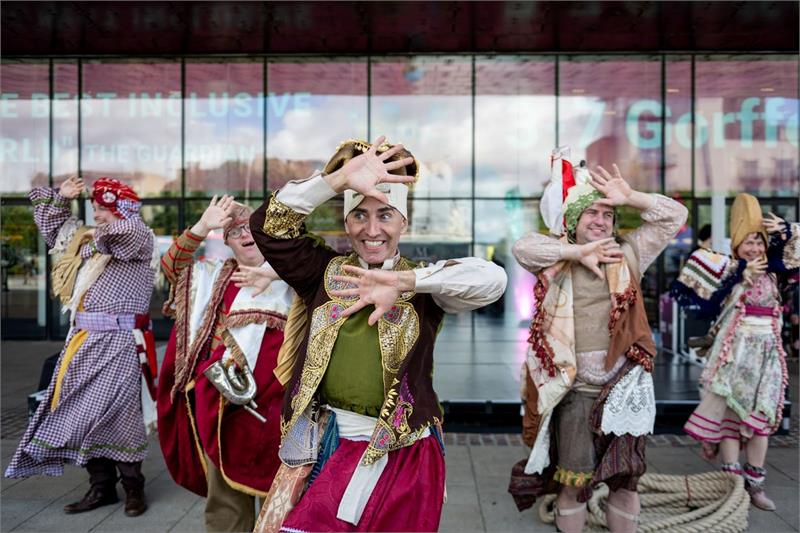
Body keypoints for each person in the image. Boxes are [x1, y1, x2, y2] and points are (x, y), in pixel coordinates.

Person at [249, 136, 507, 532]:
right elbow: (268, 227)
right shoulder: (321, 272)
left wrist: (405, 281)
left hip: (403, 454)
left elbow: (493, 280)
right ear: (346, 221)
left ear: (404, 222)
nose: (372, 229)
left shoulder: (427, 287)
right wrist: (335, 183)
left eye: (385, 215)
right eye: (360, 215)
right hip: (326, 444)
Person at [508, 148, 687, 533]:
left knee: (626, 481)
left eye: (608, 214)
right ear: (573, 220)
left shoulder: (630, 250)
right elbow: (522, 247)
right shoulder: (557, 257)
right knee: (574, 483)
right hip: (576, 390)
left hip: (624, 392)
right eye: (592, 213)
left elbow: (676, 216)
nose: (602, 221)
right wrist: (577, 251)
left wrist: (632, 198)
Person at [6, 175, 157, 517]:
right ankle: (101, 488)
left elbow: (126, 229)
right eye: (95, 208)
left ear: (121, 207)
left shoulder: (135, 236)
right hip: (82, 342)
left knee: (121, 414)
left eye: (103, 208)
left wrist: (95, 230)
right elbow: (54, 229)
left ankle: (134, 487)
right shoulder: (86, 241)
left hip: (119, 342)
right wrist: (61, 197)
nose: (98, 214)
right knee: (82, 414)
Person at [156, 196, 294, 532]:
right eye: (234, 231)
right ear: (227, 241)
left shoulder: (296, 276)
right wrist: (203, 226)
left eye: (252, 227)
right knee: (226, 511)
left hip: (285, 412)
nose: (244, 234)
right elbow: (171, 269)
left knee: (286, 508)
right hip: (224, 412)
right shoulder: (211, 276)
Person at [671, 193, 798, 511]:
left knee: (761, 420)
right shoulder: (726, 269)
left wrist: (787, 229)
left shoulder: (776, 272)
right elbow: (699, 290)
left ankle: (756, 485)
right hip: (734, 357)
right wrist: (741, 278)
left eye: (760, 242)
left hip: (767, 357)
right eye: (748, 243)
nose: (754, 248)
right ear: (737, 245)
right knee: (730, 418)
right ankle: (733, 485)